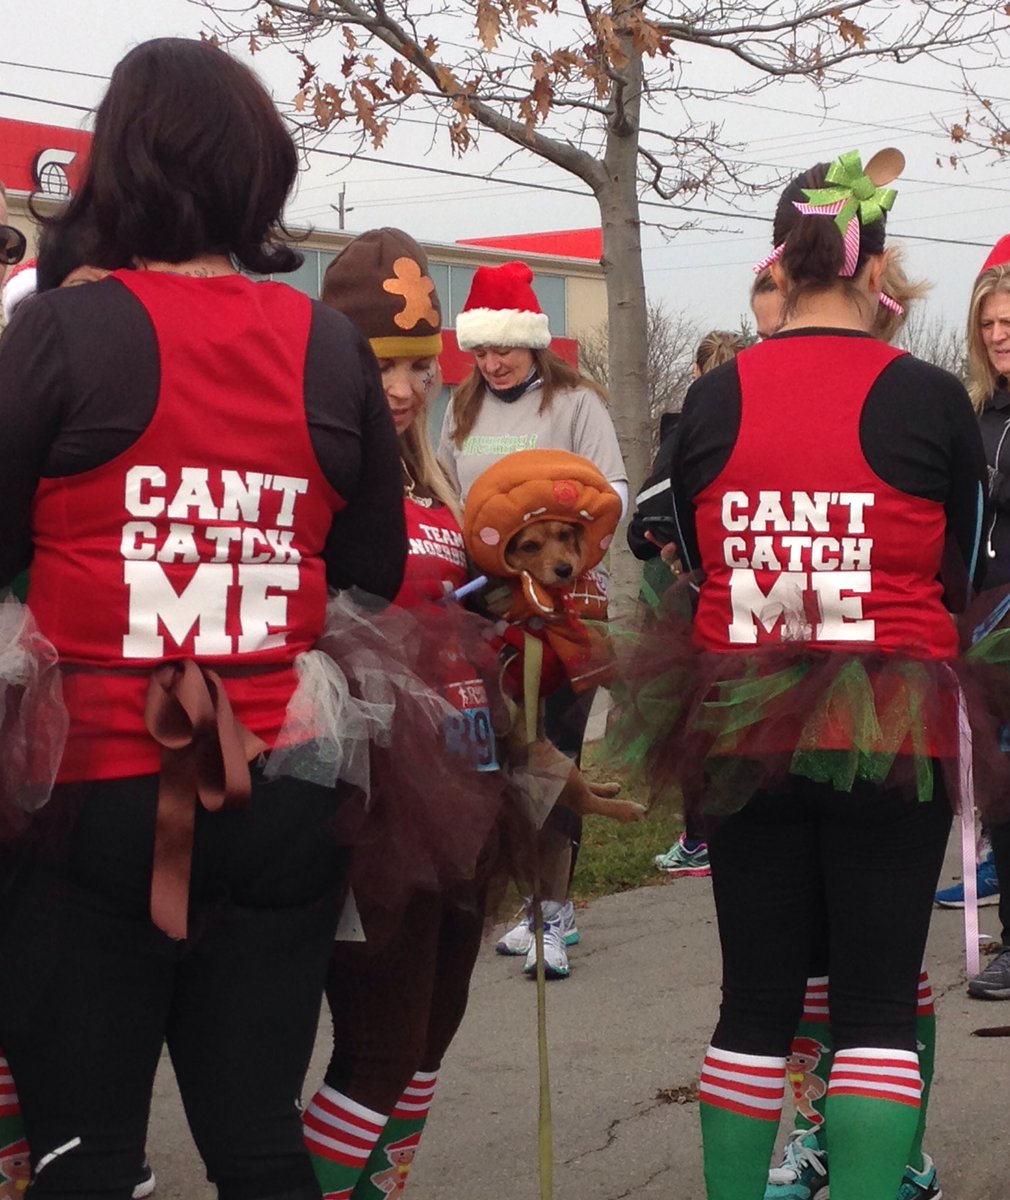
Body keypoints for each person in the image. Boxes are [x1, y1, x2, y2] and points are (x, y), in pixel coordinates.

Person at [0, 37, 406, 1200]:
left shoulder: (62, 331)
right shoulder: (329, 347)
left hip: (92, 791)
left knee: (86, 1153)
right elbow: (368, 572)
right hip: (283, 781)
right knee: (258, 1141)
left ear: (116, 162)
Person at [614, 147, 990, 1200]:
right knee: (872, 1004)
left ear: (782, 257)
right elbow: (962, 570)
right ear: (873, 267)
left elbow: (688, 556)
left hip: (743, 729)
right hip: (891, 719)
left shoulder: (713, 396)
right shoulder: (927, 397)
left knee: (752, 1005)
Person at [439, 260, 627, 979]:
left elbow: (610, 493)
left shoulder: (575, 402)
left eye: (505, 350)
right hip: (490, 606)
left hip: (561, 610)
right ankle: (523, 900)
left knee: (558, 756)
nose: (492, 363)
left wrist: (555, 547)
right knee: (509, 754)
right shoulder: (463, 406)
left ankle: (556, 912)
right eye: (482, 351)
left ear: (534, 343)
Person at [629, 330, 746, 878]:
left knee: (695, 719)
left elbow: (646, 515)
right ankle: (720, 831)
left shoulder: (691, 427)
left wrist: (666, 540)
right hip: (740, 594)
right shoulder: (750, 421)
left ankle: (702, 835)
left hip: (691, 595)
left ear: (698, 376)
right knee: (731, 716)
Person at [932, 235, 1010, 1002]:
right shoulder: (973, 414)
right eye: (988, 324)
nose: (999, 336)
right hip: (984, 623)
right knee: (1001, 788)